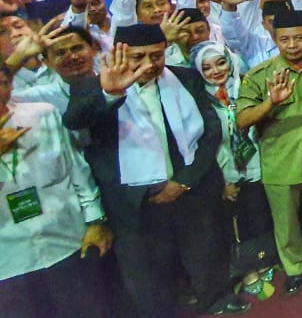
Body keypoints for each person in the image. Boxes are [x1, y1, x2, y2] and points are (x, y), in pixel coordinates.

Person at [64, 24, 247, 316]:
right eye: (138, 57)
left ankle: (216, 298)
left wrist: (184, 181)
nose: (149, 64)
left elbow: (211, 131)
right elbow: (75, 120)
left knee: (205, 248)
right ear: (119, 54)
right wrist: (110, 93)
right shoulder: (92, 87)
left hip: (189, 188)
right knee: (149, 270)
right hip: (135, 201)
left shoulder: (185, 78)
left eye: (156, 55)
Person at [235, 10, 302, 296]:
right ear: (275, 40)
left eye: (299, 38)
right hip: (280, 159)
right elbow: (242, 120)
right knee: (285, 220)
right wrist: (270, 103)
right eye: (285, 39)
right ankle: (294, 266)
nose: (293, 45)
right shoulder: (260, 75)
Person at [0, 66, 115, 318]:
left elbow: (76, 170)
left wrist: (95, 221)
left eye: (1, 83)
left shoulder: (42, 115)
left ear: (10, 83)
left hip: (66, 241)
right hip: (9, 260)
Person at [192, 42, 275, 298]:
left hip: (256, 162)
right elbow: (207, 143)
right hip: (225, 170)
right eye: (207, 68)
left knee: (259, 214)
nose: (216, 71)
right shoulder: (199, 100)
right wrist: (224, 181)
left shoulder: (246, 87)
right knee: (235, 223)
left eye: (220, 63)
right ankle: (246, 270)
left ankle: (262, 258)